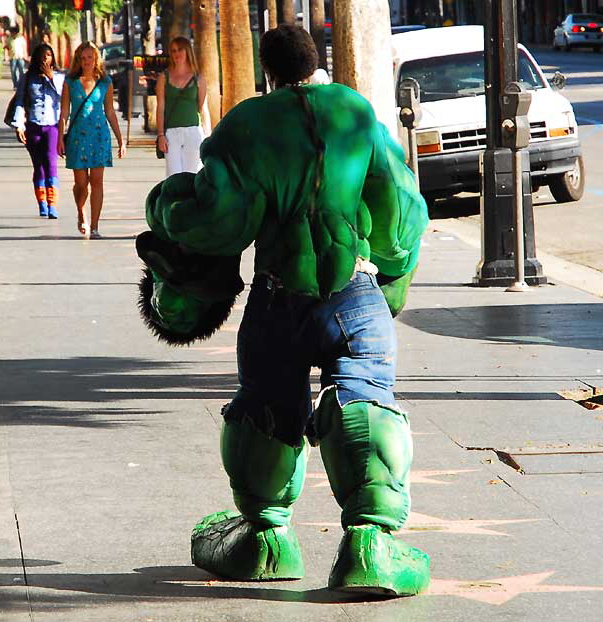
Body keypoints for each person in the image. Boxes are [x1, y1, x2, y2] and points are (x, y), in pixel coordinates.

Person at [137, 24, 430, 596]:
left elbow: (219, 219)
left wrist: (165, 204)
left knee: (266, 412)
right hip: (355, 294)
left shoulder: (248, 124)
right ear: (316, 62)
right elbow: (400, 214)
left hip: (277, 298)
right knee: (366, 401)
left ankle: (266, 539)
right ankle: (370, 544)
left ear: (266, 71)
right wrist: (390, 278)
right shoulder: (354, 112)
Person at [58, 41, 125, 239]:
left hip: (99, 136)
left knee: (97, 181)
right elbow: (64, 112)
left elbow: (111, 112)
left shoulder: (105, 82)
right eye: (83, 58)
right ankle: (81, 212)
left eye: (90, 57)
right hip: (77, 137)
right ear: (78, 60)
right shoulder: (70, 82)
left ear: (96, 59)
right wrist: (60, 138)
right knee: (81, 183)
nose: (86, 61)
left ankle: (94, 226)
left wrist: (120, 140)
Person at [10, 43, 64, 218]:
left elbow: (64, 101)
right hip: (33, 125)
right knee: (39, 166)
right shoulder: (27, 78)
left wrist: (51, 78)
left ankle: (53, 204)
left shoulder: (59, 77)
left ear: (53, 58)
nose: (45, 58)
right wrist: (19, 125)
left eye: (48, 55)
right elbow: (20, 101)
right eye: (42, 55)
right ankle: (42, 203)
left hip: (52, 126)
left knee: (51, 162)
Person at [155, 36, 210, 176]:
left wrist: (208, 136)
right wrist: (160, 134)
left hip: (193, 131)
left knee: (192, 174)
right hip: (171, 133)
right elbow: (160, 107)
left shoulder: (198, 78)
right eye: (173, 51)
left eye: (180, 50)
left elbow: (203, 108)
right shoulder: (164, 77)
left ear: (187, 51)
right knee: (173, 176)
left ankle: (190, 199)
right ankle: (175, 199)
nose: (176, 54)